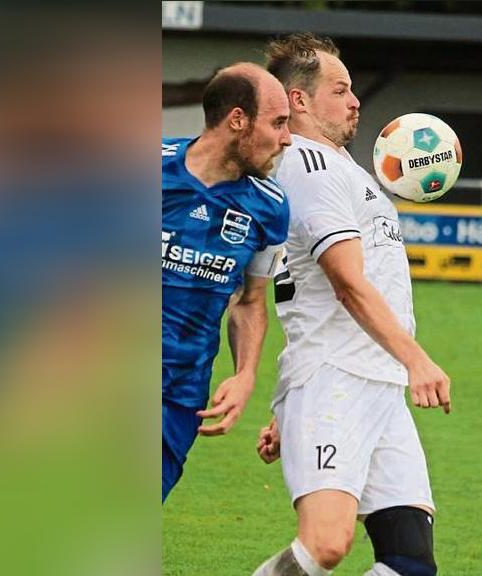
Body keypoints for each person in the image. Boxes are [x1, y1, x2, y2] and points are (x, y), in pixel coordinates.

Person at [252, 34, 450, 576]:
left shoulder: (343, 169)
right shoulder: (307, 166)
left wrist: (289, 412)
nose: (355, 101)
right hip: (335, 380)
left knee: (410, 563)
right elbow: (346, 283)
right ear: (298, 100)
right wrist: (417, 360)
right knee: (325, 544)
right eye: (339, 90)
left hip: (377, 384)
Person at [162, 62, 292, 502]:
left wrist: (245, 374)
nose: (286, 139)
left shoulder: (270, 207)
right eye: (278, 123)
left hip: (180, 396)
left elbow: (250, 301)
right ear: (238, 119)